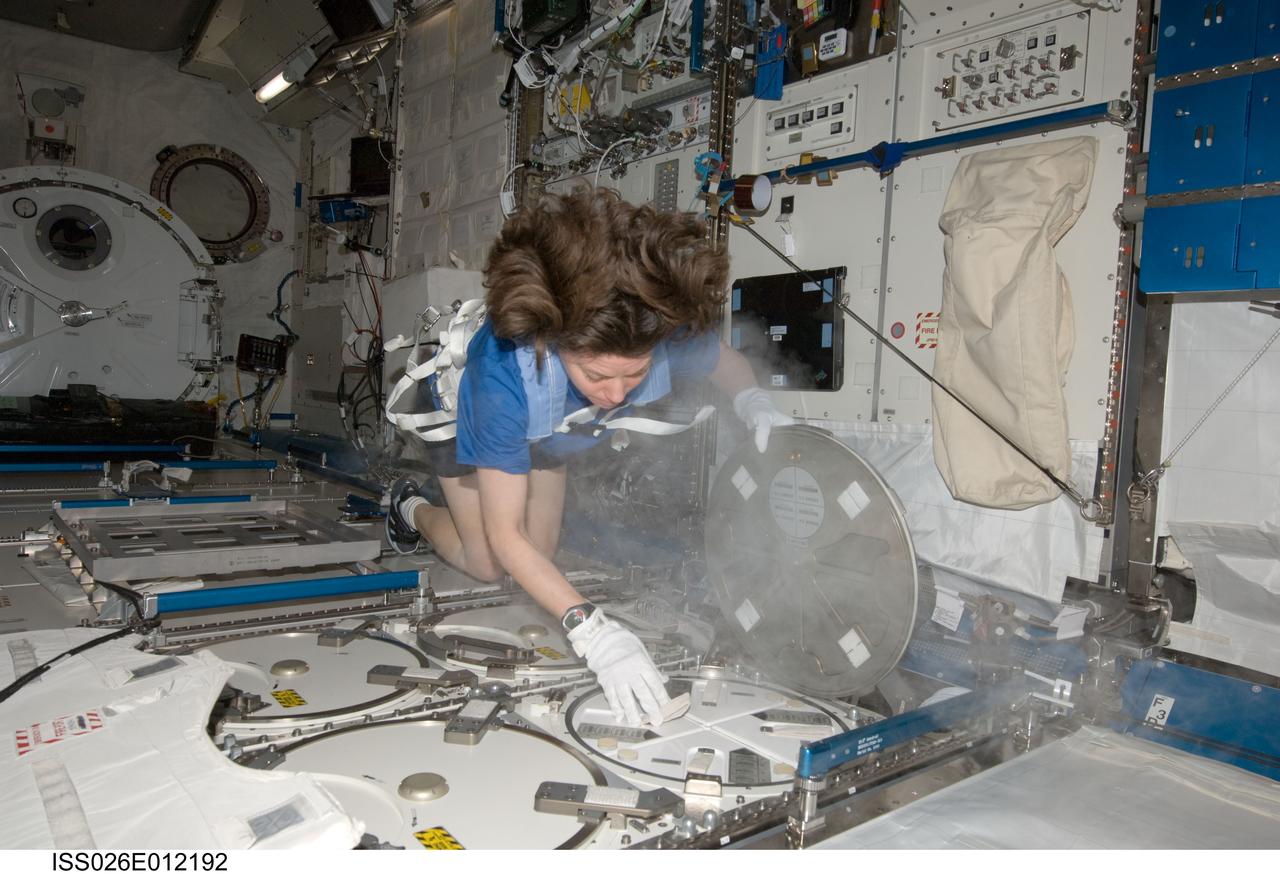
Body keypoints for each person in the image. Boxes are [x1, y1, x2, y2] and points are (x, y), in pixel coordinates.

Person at [386, 188, 791, 726]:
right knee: (489, 561)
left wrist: (753, 400)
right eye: (598, 375)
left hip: (555, 428)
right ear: (557, 344)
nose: (617, 394)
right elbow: (507, 536)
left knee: (542, 556)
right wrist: (593, 632)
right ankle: (407, 506)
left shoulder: (653, 334)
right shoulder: (503, 378)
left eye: (635, 373)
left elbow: (725, 362)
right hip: (461, 420)